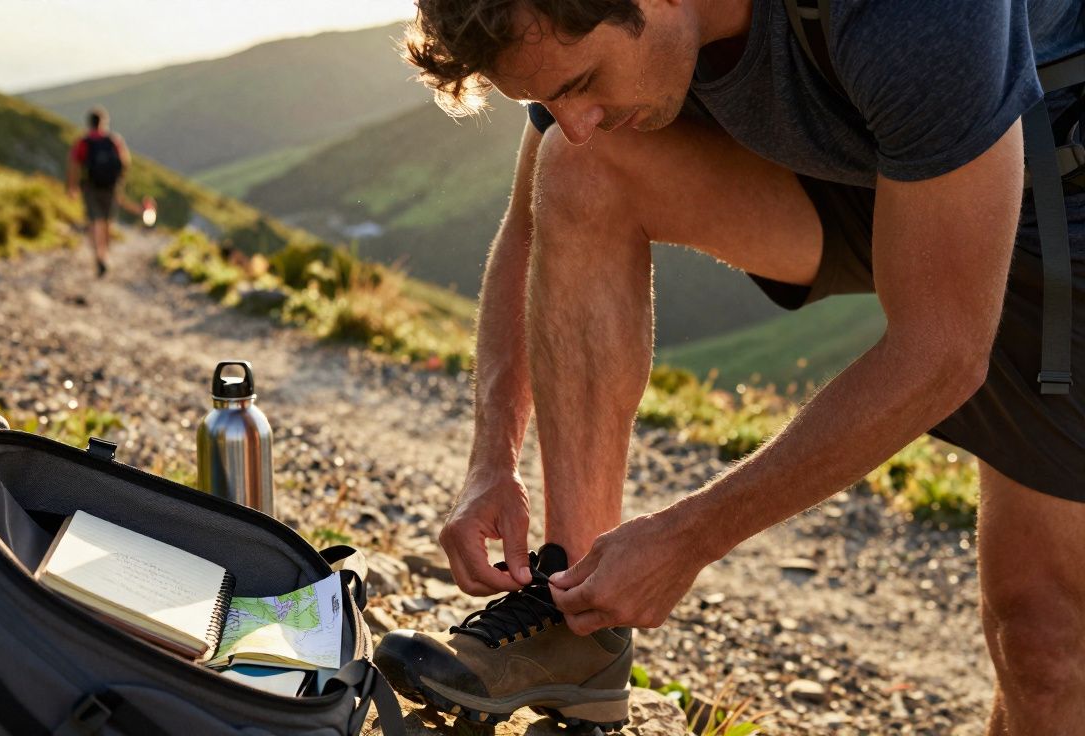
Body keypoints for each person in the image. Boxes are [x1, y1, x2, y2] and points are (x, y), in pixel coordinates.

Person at [373, 0, 1085, 733]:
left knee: (1044, 641)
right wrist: (491, 458)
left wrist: (688, 538)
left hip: (1049, 183)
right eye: (549, 97)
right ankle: (575, 614)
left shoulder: (911, 16)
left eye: (583, 82)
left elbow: (942, 352)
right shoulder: (585, 40)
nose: (573, 116)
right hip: (855, 156)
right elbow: (531, 222)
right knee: (578, 166)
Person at [66, 106, 132, 277]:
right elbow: (125, 162)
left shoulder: (84, 142)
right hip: (110, 187)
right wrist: (119, 182)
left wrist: (73, 187)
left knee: (94, 220)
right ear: (103, 123)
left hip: (90, 187)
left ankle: (98, 255)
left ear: (89, 123)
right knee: (107, 220)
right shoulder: (113, 140)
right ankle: (105, 254)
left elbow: (74, 164)